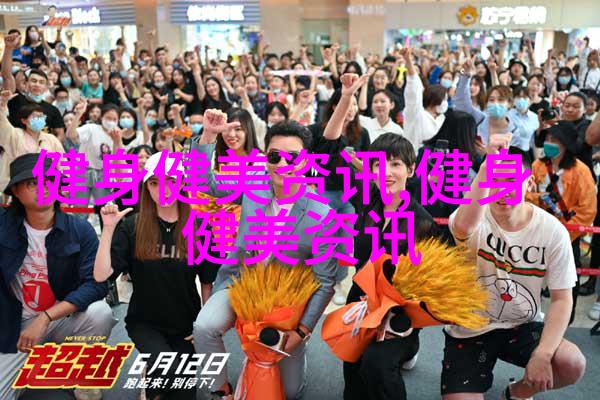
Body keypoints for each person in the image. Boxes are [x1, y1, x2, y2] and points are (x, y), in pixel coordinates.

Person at [192, 110, 341, 399]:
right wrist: (207, 136)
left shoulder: (322, 215)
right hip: (240, 281)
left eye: (292, 158)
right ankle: (219, 388)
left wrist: (301, 332)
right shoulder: (253, 184)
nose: (282, 164)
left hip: (285, 302)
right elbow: (204, 185)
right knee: (204, 326)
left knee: (291, 392)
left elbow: (325, 283)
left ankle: (294, 356)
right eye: (274, 157)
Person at [442, 132, 586, 400]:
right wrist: (486, 164)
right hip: (471, 326)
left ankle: (516, 393)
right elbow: (463, 227)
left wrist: (543, 354)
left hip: (522, 325)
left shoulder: (552, 231)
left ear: (528, 183)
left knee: (572, 363)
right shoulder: (474, 214)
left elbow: (562, 299)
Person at [0, 153, 116, 400]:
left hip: (60, 319)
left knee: (100, 312)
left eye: (49, 180)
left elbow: (97, 285)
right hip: (14, 327)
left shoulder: (79, 229)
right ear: (16, 192)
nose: (43, 188)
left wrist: (46, 317)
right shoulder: (3, 228)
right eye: (32, 183)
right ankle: (35, 365)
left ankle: (81, 375)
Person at [94, 152, 202, 400]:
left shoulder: (198, 226)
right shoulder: (133, 225)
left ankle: (152, 381)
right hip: (145, 322)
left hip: (185, 324)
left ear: (182, 182)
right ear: (146, 187)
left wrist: (203, 326)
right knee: (170, 373)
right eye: (154, 183)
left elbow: (207, 282)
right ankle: (154, 375)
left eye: (170, 181)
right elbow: (101, 276)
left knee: (183, 393)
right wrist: (108, 230)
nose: (163, 189)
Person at [343, 132, 440, 400]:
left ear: (411, 169)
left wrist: (403, 321)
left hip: (400, 315)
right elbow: (329, 149)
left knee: (376, 364)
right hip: (360, 302)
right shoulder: (367, 201)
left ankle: (406, 352)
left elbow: (436, 286)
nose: (386, 171)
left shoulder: (422, 223)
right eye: (378, 164)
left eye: (395, 164)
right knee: (353, 370)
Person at [309, 74, 370, 305]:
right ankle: (321, 279)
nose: (352, 109)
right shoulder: (319, 130)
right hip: (322, 190)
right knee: (323, 238)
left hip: (349, 194)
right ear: (336, 105)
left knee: (344, 241)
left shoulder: (361, 134)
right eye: (348, 103)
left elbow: (368, 166)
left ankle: (338, 281)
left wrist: (353, 161)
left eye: (355, 104)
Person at [526, 122, 597, 322]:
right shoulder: (537, 166)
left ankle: (564, 320)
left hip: (568, 235)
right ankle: (529, 315)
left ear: (566, 144)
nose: (550, 143)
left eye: (555, 140)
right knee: (530, 274)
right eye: (548, 139)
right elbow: (524, 195)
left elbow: (588, 210)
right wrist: (540, 197)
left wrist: (565, 233)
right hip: (537, 230)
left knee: (567, 280)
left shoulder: (581, 171)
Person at [2, 34, 65, 141]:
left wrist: (45, 148)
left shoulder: (52, 110)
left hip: (43, 150)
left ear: (46, 87)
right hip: (16, 148)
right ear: (26, 84)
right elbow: (7, 76)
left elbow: (60, 135)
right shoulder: (15, 99)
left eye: (41, 82)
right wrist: (8, 48)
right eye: (33, 81)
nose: (37, 84)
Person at [0, 89, 64, 192]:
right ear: (24, 120)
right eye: (35, 117)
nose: (40, 119)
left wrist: (64, 188)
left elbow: (63, 164)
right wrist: (3, 104)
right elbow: (2, 122)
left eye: (41, 117)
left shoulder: (52, 139)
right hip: (18, 185)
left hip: (46, 187)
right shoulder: (14, 134)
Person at [400, 47, 447, 152]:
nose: (445, 103)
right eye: (444, 99)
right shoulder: (416, 113)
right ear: (435, 99)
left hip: (436, 160)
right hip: (414, 158)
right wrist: (408, 60)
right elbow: (414, 89)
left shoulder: (442, 118)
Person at [508, 87, 539, 153]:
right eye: (518, 97)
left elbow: (534, 143)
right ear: (513, 99)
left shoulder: (535, 118)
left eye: (524, 97)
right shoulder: (507, 115)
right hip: (507, 153)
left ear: (530, 100)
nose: (521, 99)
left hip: (525, 153)